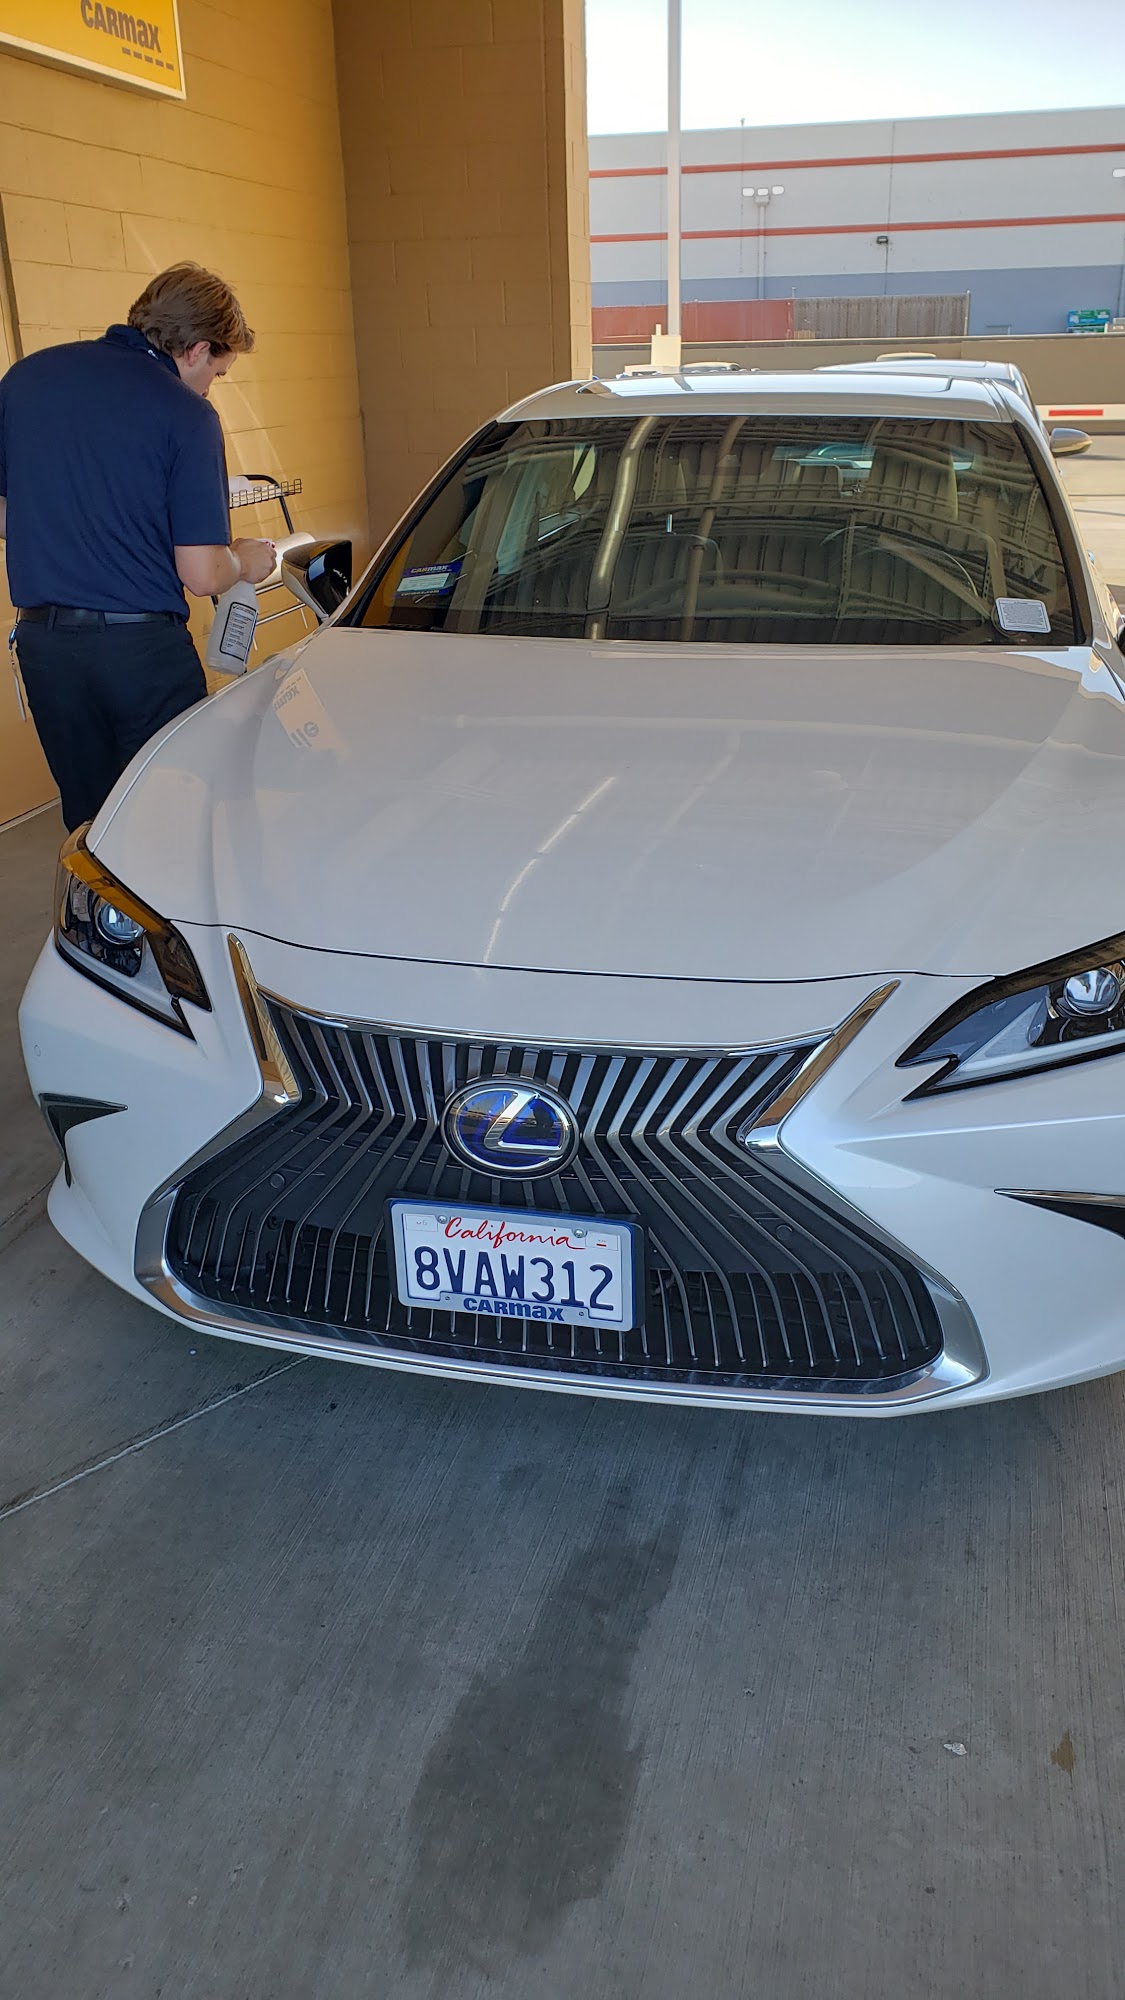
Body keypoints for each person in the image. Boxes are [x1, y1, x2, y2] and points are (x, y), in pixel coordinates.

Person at [0, 262, 276, 830]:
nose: (211, 386)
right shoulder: (186, 413)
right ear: (197, 350)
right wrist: (246, 560)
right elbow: (202, 573)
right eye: (217, 372)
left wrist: (61, 529)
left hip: (46, 650)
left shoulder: (25, 379)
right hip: (140, 655)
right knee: (169, 821)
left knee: (92, 825)